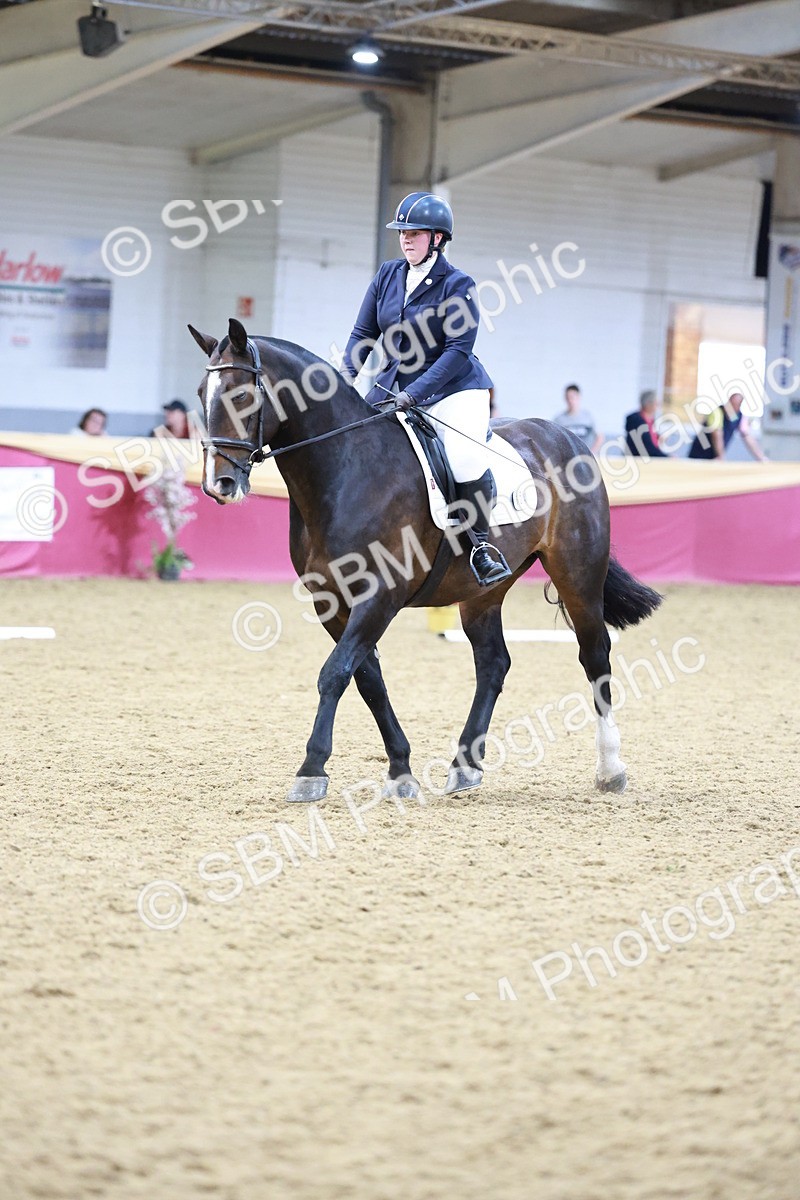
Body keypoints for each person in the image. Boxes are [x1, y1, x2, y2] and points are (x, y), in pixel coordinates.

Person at [341, 190, 510, 586]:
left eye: (415, 233)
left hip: (454, 386)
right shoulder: (387, 275)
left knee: (465, 459)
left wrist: (415, 394)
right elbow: (363, 333)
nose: (405, 239)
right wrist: (342, 381)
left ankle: (480, 547)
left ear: (437, 238)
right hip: (393, 383)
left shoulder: (457, 284)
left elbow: (457, 351)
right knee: (353, 439)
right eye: (402, 232)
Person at [688, 391, 767, 461]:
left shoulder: (738, 417)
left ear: (738, 407)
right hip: (700, 454)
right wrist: (721, 456)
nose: (730, 408)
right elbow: (717, 436)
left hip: (714, 458)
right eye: (730, 404)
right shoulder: (717, 413)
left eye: (734, 406)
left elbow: (747, 437)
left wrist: (761, 458)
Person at [553, 384, 603, 455]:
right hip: (568, 459)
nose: (570, 400)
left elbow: (600, 437)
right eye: (568, 398)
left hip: (586, 458)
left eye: (572, 397)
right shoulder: (559, 419)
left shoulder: (588, 417)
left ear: (579, 397)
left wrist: (591, 453)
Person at [625, 390, 669, 458]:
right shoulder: (636, 421)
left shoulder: (650, 420)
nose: (658, 407)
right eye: (656, 404)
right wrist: (666, 457)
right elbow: (647, 446)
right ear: (648, 404)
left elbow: (650, 437)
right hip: (639, 459)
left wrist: (658, 437)